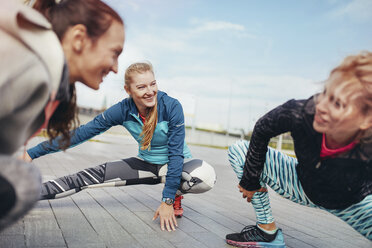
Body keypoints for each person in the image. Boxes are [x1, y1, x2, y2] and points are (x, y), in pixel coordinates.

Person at [25, 61, 217, 232]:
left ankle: (175, 194)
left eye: (153, 84)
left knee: (204, 175)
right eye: (141, 87)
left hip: (177, 166)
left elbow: (176, 154)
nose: (150, 91)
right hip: (146, 164)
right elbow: (82, 133)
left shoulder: (172, 106)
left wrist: (166, 200)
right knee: (85, 177)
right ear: (128, 90)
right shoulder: (123, 110)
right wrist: (32, 153)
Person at [0, 0, 124, 231]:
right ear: (78, 38)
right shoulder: (30, 67)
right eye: (115, 53)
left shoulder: (53, 79)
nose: (117, 68)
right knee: (24, 182)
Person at [225, 52, 372, 247]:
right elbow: (262, 128)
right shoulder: (300, 112)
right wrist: (250, 180)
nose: (322, 106)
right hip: (301, 185)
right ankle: (266, 231)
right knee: (240, 150)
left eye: (337, 103)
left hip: (352, 204)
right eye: (326, 93)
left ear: (366, 120)